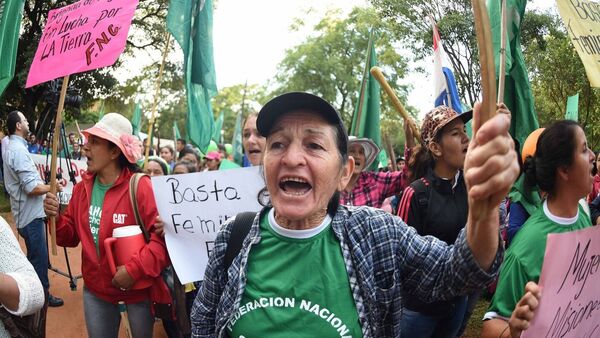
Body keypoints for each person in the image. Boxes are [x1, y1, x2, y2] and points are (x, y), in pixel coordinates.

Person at [190, 92, 519, 337]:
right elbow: (203, 325)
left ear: (345, 172)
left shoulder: (377, 235)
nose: (291, 158)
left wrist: (484, 208)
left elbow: (457, 272)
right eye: (277, 144)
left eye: (314, 145)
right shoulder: (234, 236)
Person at [43, 113, 172, 338]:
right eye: (87, 141)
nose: (85, 148)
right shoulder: (81, 189)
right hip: (95, 293)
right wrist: (54, 218)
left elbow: (162, 241)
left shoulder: (141, 188)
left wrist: (133, 270)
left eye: (94, 142)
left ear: (114, 152)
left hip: (137, 295)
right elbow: (69, 237)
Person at [481, 120, 594, 338]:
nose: (592, 156)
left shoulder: (582, 216)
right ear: (564, 170)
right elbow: (490, 327)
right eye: (583, 149)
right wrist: (513, 331)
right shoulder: (525, 248)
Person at [396, 105, 472, 338]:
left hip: (457, 302)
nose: (465, 138)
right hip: (419, 312)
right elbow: (401, 259)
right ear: (435, 148)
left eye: (464, 130)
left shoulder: (469, 189)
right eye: (455, 133)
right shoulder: (416, 194)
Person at [3, 111, 64, 308]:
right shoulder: (18, 150)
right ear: (18, 126)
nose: (28, 121)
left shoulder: (14, 147)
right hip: (30, 217)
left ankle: (36, 293)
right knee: (39, 258)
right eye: (25, 119)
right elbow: (32, 188)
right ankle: (42, 298)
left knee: (35, 256)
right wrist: (53, 186)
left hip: (26, 215)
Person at [340, 122, 415, 208]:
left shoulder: (373, 182)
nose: (357, 156)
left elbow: (406, 177)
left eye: (361, 152)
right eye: (352, 151)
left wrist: (409, 141)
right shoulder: (330, 183)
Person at [0, 215, 46, 337]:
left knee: (38, 260)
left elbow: (34, 293)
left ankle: (46, 293)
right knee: (37, 259)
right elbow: (30, 194)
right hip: (30, 220)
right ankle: (46, 293)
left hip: (33, 218)